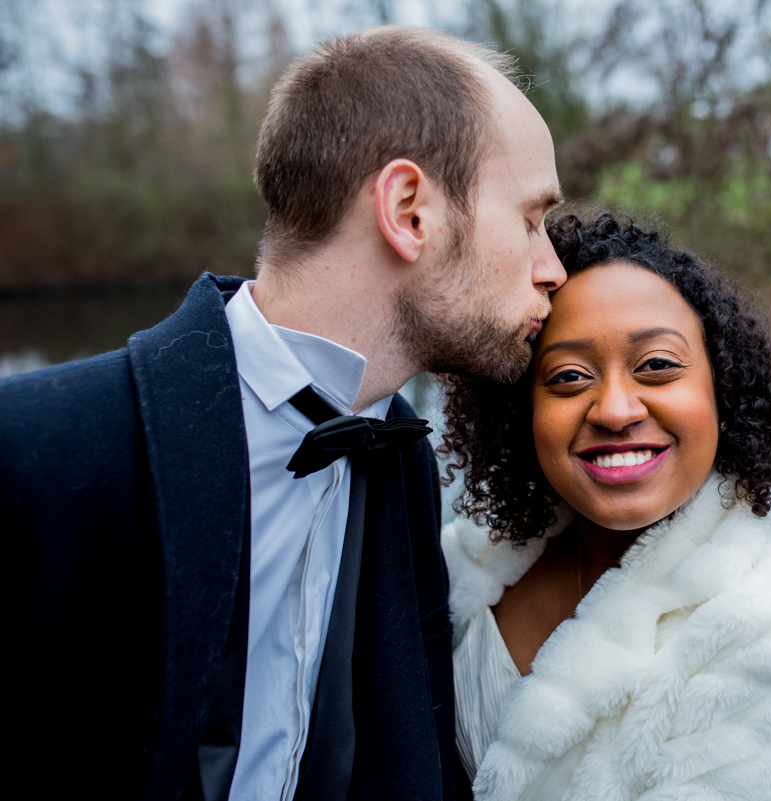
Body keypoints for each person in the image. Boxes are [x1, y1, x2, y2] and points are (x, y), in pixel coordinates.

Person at [4, 26, 565, 801]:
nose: (553, 269)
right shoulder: (33, 450)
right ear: (409, 210)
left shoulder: (400, 462)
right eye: (532, 219)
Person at [439, 212, 771, 801]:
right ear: (521, 409)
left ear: (723, 392)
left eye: (657, 365)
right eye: (568, 376)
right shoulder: (477, 555)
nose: (614, 410)